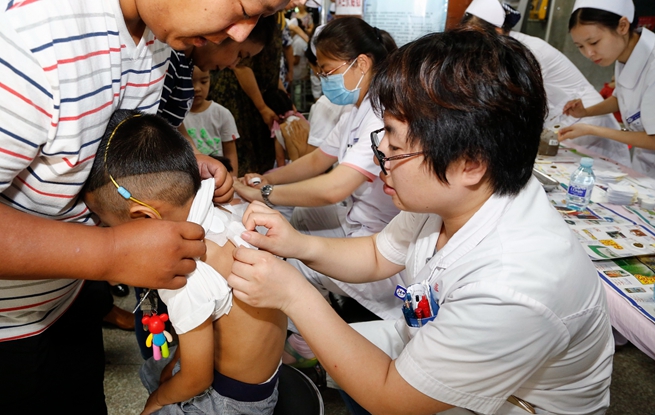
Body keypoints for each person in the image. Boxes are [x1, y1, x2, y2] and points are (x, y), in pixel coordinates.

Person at [227, 28, 614, 414]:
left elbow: (393, 399)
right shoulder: (453, 200)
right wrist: (297, 245)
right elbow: (380, 254)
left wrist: (294, 294)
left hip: (521, 404)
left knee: (351, 364)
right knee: (340, 354)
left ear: (470, 163)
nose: (380, 151)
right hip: (431, 338)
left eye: (395, 146)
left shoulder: (513, 285)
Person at [0, 0, 287, 412]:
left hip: (67, 297)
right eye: (244, 6)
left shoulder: (159, 35)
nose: (241, 34)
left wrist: (182, 161)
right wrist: (109, 252)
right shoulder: (27, 42)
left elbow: (117, 137)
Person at [83, 110, 286, 415]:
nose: (103, 231)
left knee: (157, 392)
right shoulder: (228, 211)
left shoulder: (184, 272)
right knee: (157, 370)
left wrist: (157, 401)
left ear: (145, 218)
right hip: (263, 381)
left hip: (229, 402)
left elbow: (197, 379)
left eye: (105, 225)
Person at [234, 17, 406, 322]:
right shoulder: (356, 109)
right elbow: (316, 161)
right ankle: (326, 305)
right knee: (302, 218)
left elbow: (333, 188)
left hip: (377, 234)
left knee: (291, 271)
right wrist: (266, 177)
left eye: (328, 70)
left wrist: (266, 193)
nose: (324, 78)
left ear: (362, 64)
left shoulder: (379, 115)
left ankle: (306, 343)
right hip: (358, 217)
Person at [462, 0, 631, 167]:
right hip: (562, 123)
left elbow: (514, 104)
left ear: (498, 31)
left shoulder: (527, 51)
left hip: (582, 123)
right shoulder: (499, 50)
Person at [560, 0, 655, 175]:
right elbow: (622, 98)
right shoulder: (626, 54)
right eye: (580, 46)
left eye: (594, 42)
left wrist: (591, 129)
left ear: (623, 26)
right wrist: (585, 113)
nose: (589, 53)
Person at [186, 66, 240, 174]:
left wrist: (233, 178)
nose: (197, 88)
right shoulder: (177, 116)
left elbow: (230, 153)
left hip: (218, 174)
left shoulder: (222, 113)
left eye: (204, 81)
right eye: (190, 82)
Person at [263, 88, 312, 166]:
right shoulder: (303, 120)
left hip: (296, 170)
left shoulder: (280, 129)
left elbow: (280, 158)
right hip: (313, 164)